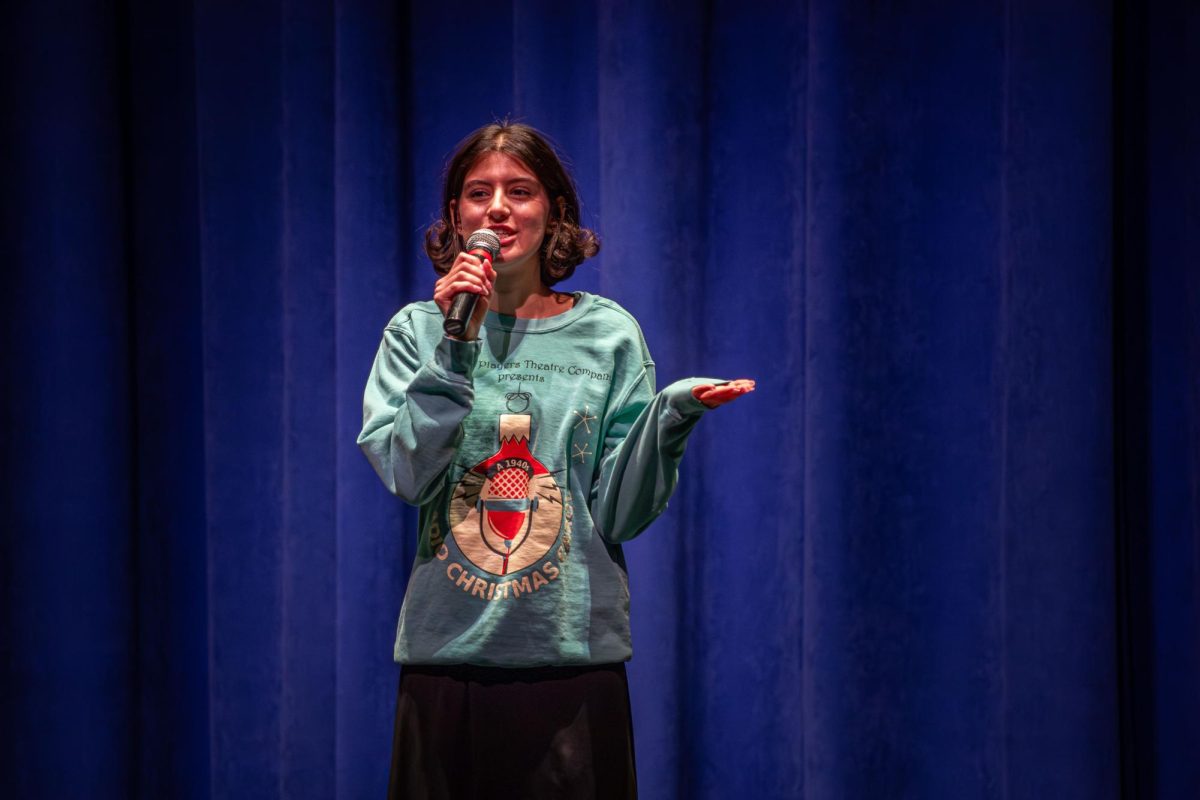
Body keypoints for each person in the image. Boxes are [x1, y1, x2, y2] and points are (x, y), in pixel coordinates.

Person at [358, 121, 754, 799]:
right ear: (456, 216)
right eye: (477, 193)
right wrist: (456, 344)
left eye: (520, 190)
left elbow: (619, 515)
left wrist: (671, 415)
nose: (498, 209)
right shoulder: (418, 330)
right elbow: (408, 474)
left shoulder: (607, 335)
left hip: (570, 665)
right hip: (447, 662)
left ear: (555, 211)